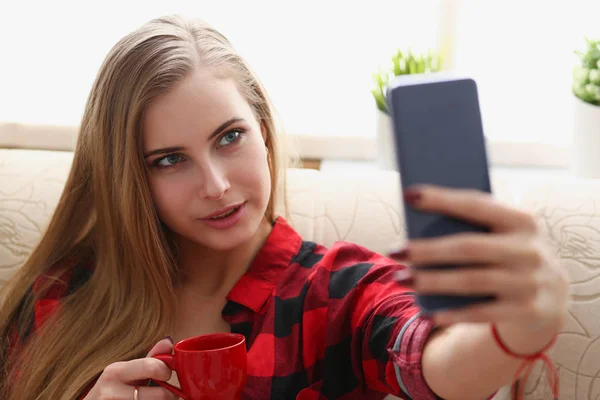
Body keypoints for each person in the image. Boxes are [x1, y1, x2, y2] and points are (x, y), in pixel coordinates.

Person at [0, 15, 569, 400]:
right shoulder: (62, 299)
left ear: (265, 134)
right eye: (169, 160)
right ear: (131, 179)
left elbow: (428, 360)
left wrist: (518, 328)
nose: (218, 185)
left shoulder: (341, 290)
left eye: (229, 137)